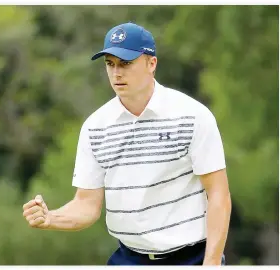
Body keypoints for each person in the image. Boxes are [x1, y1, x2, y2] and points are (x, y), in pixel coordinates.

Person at [22, 22, 231, 266]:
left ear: (152, 64)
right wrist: (51, 218)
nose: (116, 73)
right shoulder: (95, 127)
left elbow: (218, 194)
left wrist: (212, 262)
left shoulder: (192, 116)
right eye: (110, 64)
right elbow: (87, 205)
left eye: (126, 63)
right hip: (129, 259)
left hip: (192, 259)